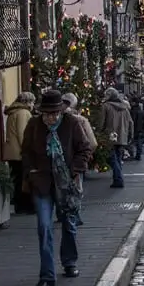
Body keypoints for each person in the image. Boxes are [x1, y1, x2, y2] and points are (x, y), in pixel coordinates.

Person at [21, 90, 92, 286]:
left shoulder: (72, 123)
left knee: (69, 224)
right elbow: (26, 151)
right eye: (47, 114)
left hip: (66, 183)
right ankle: (47, 276)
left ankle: (69, 262)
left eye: (54, 113)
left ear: (61, 111)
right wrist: (31, 172)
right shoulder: (34, 125)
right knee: (44, 227)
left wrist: (75, 170)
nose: (51, 118)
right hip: (42, 183)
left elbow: (85, 149)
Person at [61, 93, 97, 227]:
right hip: (75, 160)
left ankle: (62, 213)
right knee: (76, 188)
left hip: (58, 161)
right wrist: (86, 156)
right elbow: (92, 143)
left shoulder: (52, 120)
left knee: (60, 188)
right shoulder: (81, 120)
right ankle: (74, 215)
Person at [4, 91, 35, 214]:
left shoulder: (13, 112)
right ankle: (24, 206)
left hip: (12, 152)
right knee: (24, 179)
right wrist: (28, 150)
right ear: (27, 102)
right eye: (32, 102)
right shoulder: (23, 113)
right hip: (20, 153)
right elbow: (23, 134)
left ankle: (19, 205)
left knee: (17, 179)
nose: (33, 105)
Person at [99, 87, 132, 188]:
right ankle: (117, 178)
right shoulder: (124, 107)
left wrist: (99, 132)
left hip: (110, 135)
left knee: (112, 158)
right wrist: (130, 135)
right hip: (122, 135)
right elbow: (131, 122)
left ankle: (118, 179)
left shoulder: (106, 106)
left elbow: (101, 122)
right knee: (117, 157)